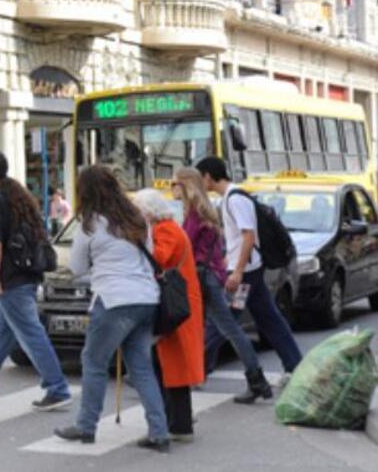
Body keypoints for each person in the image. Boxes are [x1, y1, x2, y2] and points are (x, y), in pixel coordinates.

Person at [54, 166, 169, 452]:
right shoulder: (138, 218)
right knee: (141, 367)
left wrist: (100, 274)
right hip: (146, 299)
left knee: (93, 362)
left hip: (114, 301)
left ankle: (86, 426)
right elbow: (150, 258)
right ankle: (159, 431)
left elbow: (77, 268)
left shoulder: (90, 224)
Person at [0, 152, 72, 411]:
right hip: (28, 274)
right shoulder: (17, 196)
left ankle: (57, 387)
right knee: (3, 334)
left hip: (12, 278)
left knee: (31, 334)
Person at [172, 167, 272, 404]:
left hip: (202, 278)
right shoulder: (205, 210)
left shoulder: (196, 213)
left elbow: (186, 246)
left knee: (221, 328)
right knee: (226, 328)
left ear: (187, 185)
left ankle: (255, 380)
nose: (172, 188)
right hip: (210, 276)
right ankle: (254, 379)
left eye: (175, 184)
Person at [196, 157, 302, 377]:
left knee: (222, 322)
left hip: (245, 274)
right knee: (267, 319)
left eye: (200, 178)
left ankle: (198, 369)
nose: (200, 184)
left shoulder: (235, 199)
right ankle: (294, 364)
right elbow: (238, 236)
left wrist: (237, 271)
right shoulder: (229, 198)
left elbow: (248, 235)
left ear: (208, 176)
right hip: (247, 271)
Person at [133, 188, 204, 443]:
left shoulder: (164, 230)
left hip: (174, 305)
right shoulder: (169, 227)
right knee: (170, 366)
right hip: (179, 301)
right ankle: (176, 422)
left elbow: (158, 258)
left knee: (171, 367)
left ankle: (177, 424)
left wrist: (138, 239)